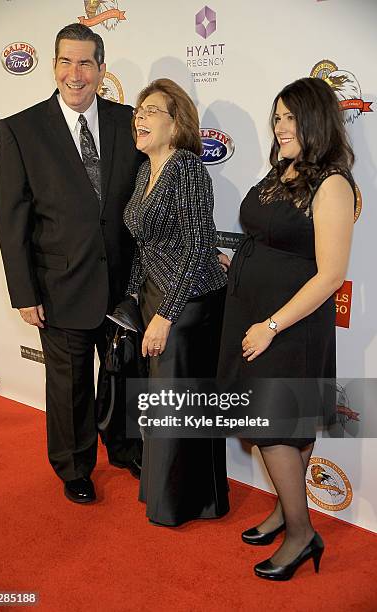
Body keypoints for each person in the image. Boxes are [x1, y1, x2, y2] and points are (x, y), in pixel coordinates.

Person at [0, 23, 145, 504]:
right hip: (58, 283)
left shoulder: (130, 122)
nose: (74, 74)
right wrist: (24, 293)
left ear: (102, 69)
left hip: (124, 283)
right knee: (69, 384)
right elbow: (11, 219)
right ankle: (74, 465)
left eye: (85, 63)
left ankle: (125, 448)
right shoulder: (20, 129)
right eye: (65, 62)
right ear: (53, 65)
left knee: (124, 374)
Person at [218, 77, 356, 579]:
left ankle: (302, 535)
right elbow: (272, 236)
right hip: (253, 312)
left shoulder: (333, 183)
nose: (280, 127)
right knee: (278, 426)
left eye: (291, 117)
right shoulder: (283, 171)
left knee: (273, 427)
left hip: (290, 324)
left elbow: (331, 274)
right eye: (277, 116)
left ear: (315, 121)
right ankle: (285, 510)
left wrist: (272, 325)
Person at [124, 78, 229, 526]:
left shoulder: (186, 167)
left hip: (185, 304)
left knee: (174, 403)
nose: (139, 118)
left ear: (176, 122)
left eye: (151, 110)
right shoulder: (146, 168)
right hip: (155, 296)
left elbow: (198, 245)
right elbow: (144, 245)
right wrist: (132, 298)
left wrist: (167, 315)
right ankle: (181, 495)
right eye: (138, 111)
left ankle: (181, 504)